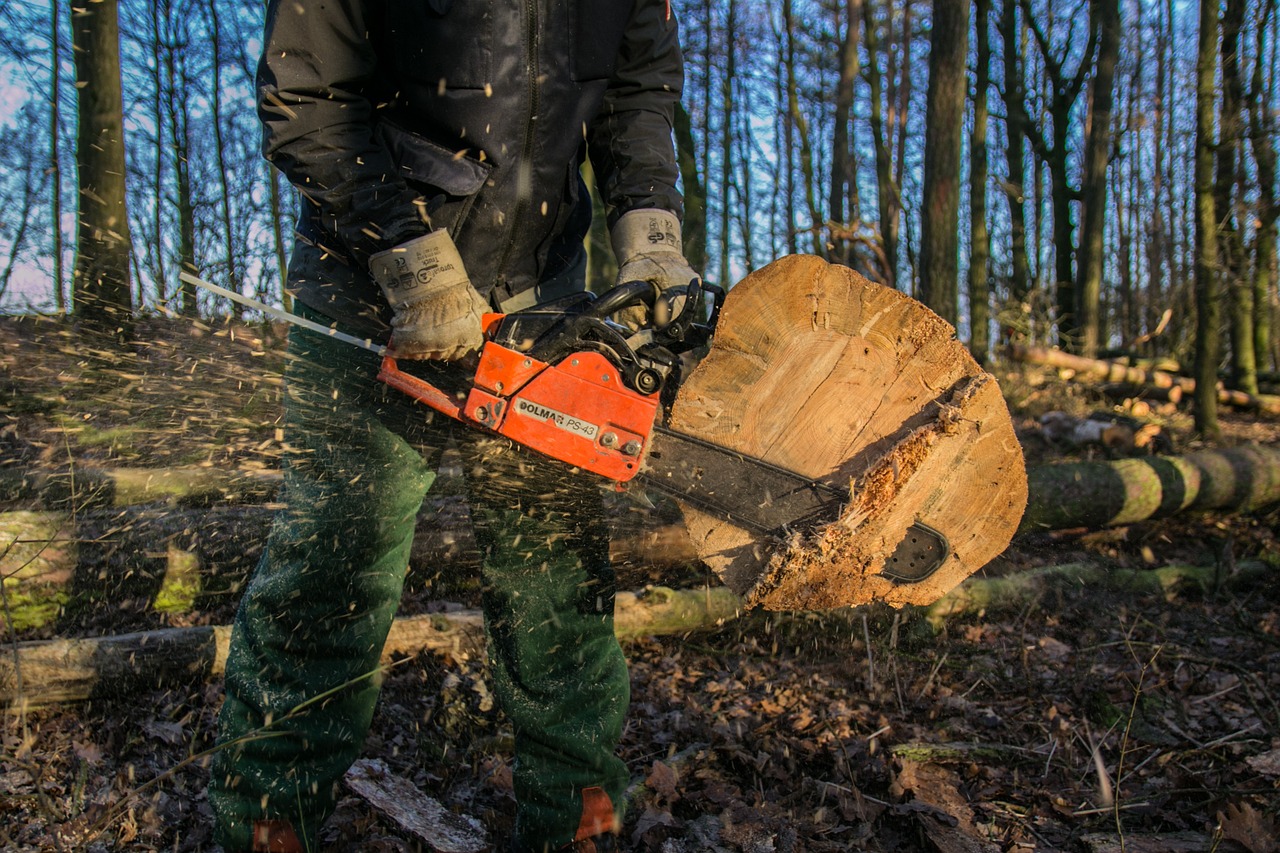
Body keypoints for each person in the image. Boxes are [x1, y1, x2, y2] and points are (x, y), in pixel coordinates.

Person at [208, 0, 699, 851]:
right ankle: (269, 819)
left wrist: (651, 229)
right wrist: (405, 249)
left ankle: (579, 817)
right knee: (335, 564)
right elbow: (309, 92)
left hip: (544, 293)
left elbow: (637, 89)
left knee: (559, 586)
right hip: (368, 283)